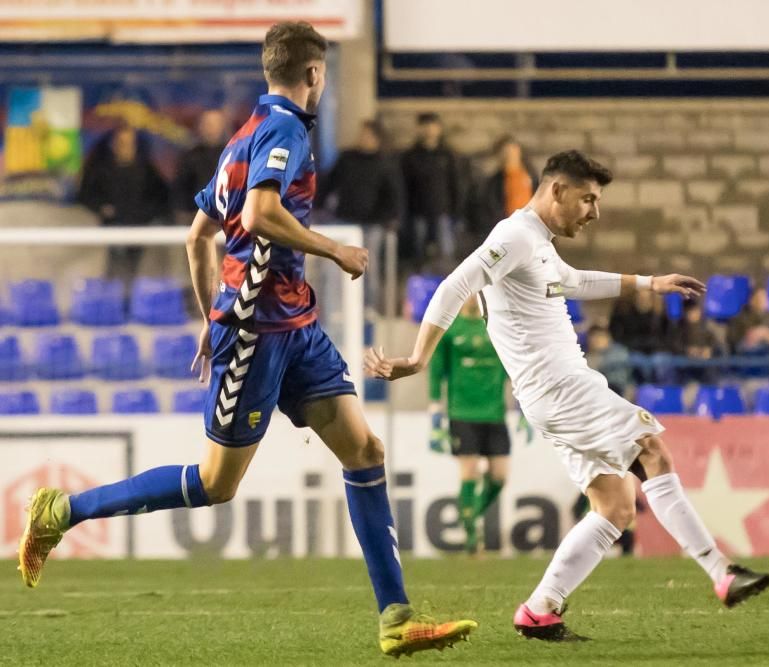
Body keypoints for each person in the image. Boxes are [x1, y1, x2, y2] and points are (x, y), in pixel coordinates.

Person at [17, 21, 476, 659]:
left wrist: (209, 314)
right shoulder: (284, 129)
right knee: (216, 483)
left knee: (364, 450)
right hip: (258, 336)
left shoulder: (241, 138)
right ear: (314, 75)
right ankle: (61, 511)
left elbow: (197, 236)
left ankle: (396, 617)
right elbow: (258, 215)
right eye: (320, 75)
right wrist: (333, 248)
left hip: (296, 326)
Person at [366, 150, 769, 642]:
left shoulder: (536, 240)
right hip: (561, 387)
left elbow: (573, 282)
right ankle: (721, 572)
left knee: (616, 506)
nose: (594, 212)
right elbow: (456, 284)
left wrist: (650, 282)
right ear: (556, 189)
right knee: (651, 449)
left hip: (554, 392)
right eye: (588, 199)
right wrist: (419, 356)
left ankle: (540, 611)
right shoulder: (513, 236)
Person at [428, 295, 510, 554]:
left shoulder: (497, 326)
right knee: (470, 470)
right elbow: (436, 372)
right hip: (462, 412)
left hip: (495, 412)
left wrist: (522, 403)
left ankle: (470, 514)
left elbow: (513, 368)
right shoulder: (451, 329)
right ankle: (473, 536)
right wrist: (435, 414)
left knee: (499, 477)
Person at [316, 119, 403, 312]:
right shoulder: (347, 159)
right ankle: (338, 308)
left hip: (372, 224)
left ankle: (368, 307)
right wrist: (318, 206)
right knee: (337, 268)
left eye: (368, 134)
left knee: (368, 269)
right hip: (345, 222)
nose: (363, 138)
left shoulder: (385, 164)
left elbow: (394, 194)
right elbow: (329, 183)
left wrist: (391, 217)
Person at [78, 124, 170, 281]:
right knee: (114, 271)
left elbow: (162, 198)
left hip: (140, 229)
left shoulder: (146, 169)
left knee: (136, 272)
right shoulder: (100, 169)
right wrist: (102, 208)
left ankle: (131, 301)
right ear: (113, 144)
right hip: (110, 229)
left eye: (129, 143)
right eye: (121, 142)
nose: (125, 147)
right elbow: (85, 195)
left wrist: (146, 214)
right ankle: (112, 299)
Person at [399, 112, 461, 266]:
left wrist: (457, 212)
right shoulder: (410, 156)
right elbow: (404, 187)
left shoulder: (448, 155)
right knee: (419, 257)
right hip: (418, 213)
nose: (429, 130)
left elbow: (456, 184)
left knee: (446, 257)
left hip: (443, 212)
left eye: (432, 125)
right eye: (425, 125)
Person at [173, 109, 229, 225]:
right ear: (200, 127)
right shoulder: (189, 158)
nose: (211, 128)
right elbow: (180, 194)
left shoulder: (233, 155)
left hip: (229, 220)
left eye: (215, 124)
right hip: (194, 220)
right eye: (207, 124)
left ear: (222, 127)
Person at [481, 135, 538, 227]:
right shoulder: (494, 183)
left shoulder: (530, 174)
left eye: (512, 151)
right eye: (505, 153)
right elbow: (493, 209)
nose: (510, 156)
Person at [667, 299, 724, 384]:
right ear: (685, 313)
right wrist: (687, 351)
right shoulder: (679, 329)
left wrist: (709, 350)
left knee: (712, 368)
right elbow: (675, 346)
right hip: (686, 365)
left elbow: (715, 344)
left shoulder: (706, 329)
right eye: (689, 311)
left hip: (704, 364)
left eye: (695, 311)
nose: (693, 314)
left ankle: (711, 390)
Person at [727, 286, 769, 355]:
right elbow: (733, 342)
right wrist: (749, 337)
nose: (762, 301)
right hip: (747, 356)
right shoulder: (739, 318)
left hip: (768, 354)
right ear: (751, 300)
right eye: (758, 298)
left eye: (764, 298)